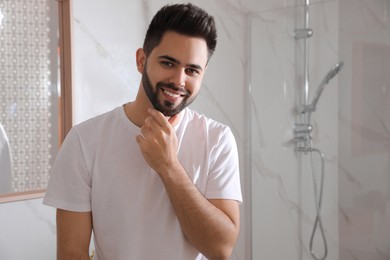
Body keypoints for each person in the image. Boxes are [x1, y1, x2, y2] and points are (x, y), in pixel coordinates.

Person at [43, 3, 242, 260]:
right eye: (168, 63)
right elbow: (72, 253)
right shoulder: (84, 141)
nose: (179, 80)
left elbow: (221, 249)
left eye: (192, 70)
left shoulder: (217, 140)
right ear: (141, 60)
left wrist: (169, 167)